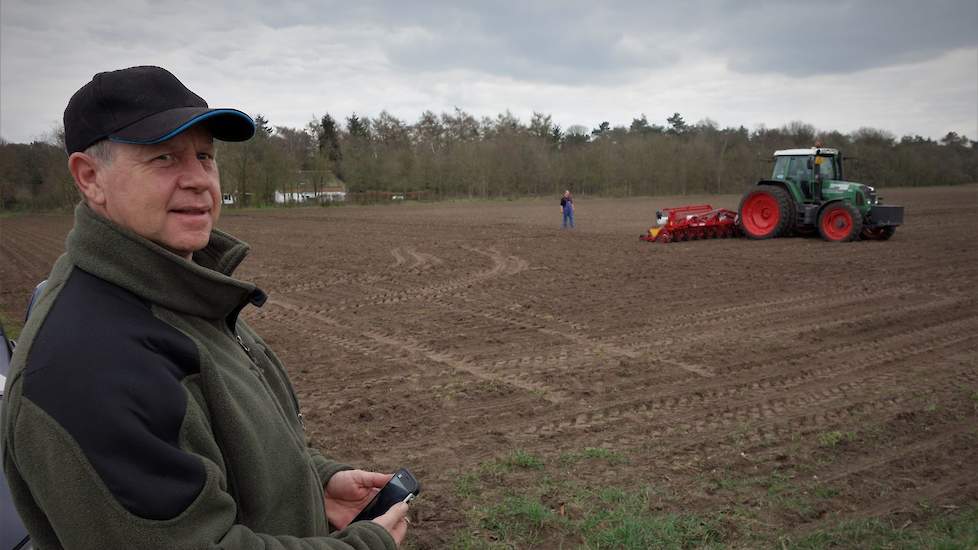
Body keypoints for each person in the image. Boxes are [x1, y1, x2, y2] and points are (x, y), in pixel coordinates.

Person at [1, 66, 409, 549]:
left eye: (204, 156)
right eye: (164, 158)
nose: (198, 179)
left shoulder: (182, 293)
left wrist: (316, 482)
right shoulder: (88, 367)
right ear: (90, 178)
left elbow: (216, 449)